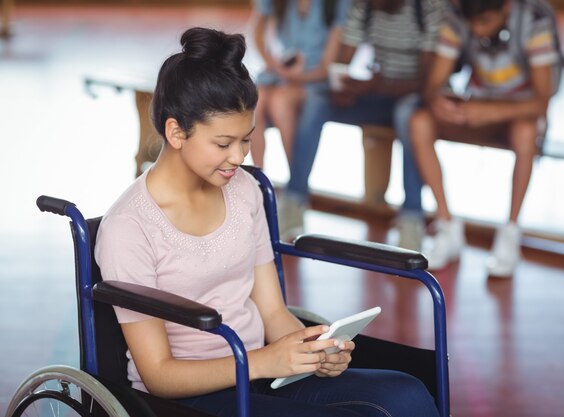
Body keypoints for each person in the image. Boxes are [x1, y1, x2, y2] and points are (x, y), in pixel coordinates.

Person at [94, 27, 440, 417]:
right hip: (187, 396)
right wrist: (265, 362)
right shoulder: (130, 228)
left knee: (408, 394)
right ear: (176, 131)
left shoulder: (244, 191)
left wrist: (314, 353)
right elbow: (158, 375)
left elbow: (273, 312)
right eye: (224, 144)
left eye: (246, 139)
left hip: (262, 374)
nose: (239, 157)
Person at [409, 0, 564, 276]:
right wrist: (437, 99)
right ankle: (447, 225)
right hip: (477, 103)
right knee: (419, 122)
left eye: (486, 22)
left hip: (518, 110)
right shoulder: (458, 14)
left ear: (506, 7)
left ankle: (510, 232)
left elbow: (542, 101)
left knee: (526, 133)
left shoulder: (535, 18)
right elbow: (433, 84)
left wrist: (493, 112)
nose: (479, 30)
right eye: (474, 24)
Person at [278, 0, 446, 252]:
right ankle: (293, 201)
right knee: (316, 100)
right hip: (376, 95)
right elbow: (343, 62)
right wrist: (343, 86)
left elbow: (426, 82)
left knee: (407, 116)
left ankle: (412, 218)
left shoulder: (428, 7)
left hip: (412, 98)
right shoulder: (364, 6)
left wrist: (374, 86)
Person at [250, 0, 350, 169]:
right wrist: (273, 64)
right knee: (254, 102)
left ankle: (296, 181)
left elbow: (326, 68)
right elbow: (257, 30)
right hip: (285, 73)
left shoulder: (336, 4)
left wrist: (295, 76)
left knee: (280, 103)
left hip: (316, 78)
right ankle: (258, 178)